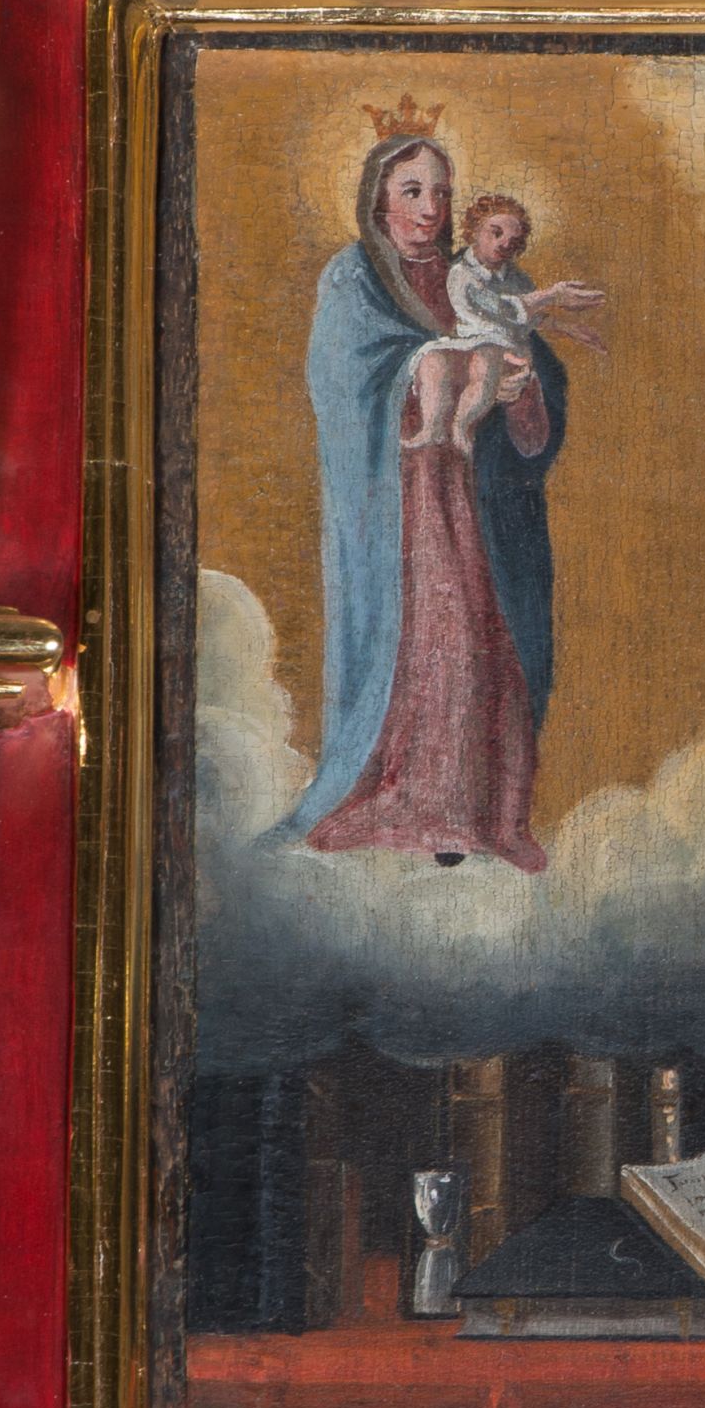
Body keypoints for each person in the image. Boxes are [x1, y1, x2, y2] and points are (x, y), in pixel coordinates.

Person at [280, 134, 572, 873]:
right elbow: (341, 384)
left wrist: (519, 385)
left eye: (440, 192)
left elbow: (532, 406)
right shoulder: (355, 278)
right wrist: (421, 368)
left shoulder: (480, 276)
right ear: (378, 197)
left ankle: (489, 814)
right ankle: (417, 808)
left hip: (481, 506)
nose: (429, 207)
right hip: (402, 506)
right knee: (433, 642)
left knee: (487, 645)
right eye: (411, 190)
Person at [404, 193, 608, 455]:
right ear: (474, 231)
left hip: (500, 347)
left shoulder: (517, 279)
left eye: (512, 242)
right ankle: (431, 429)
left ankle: (461, 426)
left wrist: (566, 327)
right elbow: (502, 308)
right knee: (433, 360)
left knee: (486, 359)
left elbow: (526, 318)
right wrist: (550, 295)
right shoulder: (461, 274)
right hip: (467, 342)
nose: (503, 244)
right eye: (496, 233)